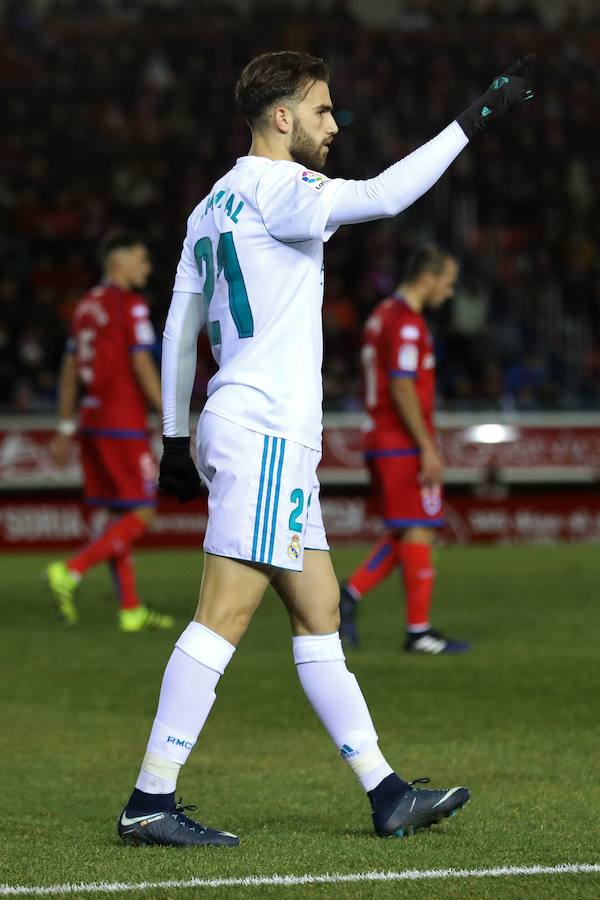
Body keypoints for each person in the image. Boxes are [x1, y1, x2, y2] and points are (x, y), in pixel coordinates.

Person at [117, 50, 534, 847]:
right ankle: (150, 796)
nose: (334, 125)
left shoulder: (209, 207)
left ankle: (385, 791)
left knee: (318, 612)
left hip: (246, 425)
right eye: (322, 111)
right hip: (267, 428)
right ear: (282, 118)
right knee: (222, 616)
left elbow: (178, 328)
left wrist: (175, 435)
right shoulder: (280, 187)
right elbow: (384, 196)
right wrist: (474, 119)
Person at [339, 245, 470, 653]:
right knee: (421, 528)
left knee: (406, 529)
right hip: (400, 442)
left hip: (380, 438)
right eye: (447, 284)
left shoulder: (381, 315)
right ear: (427, 278)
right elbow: (401, 384)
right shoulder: (409, 325)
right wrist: (427, 447)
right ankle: (418, 631)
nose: (449, 293)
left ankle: (350, 595)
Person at [46, 232, 174, 633]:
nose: (147, 268)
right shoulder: (129, 306)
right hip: (122, 422)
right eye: (142, 259)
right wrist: (171, 415)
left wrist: (65, 426)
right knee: (142, 514)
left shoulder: (85, 306)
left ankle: (131, 610)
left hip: (91, 421)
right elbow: (141, 363)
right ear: (119, 263)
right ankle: (72, 569)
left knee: (119, 513)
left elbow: (69, 372)